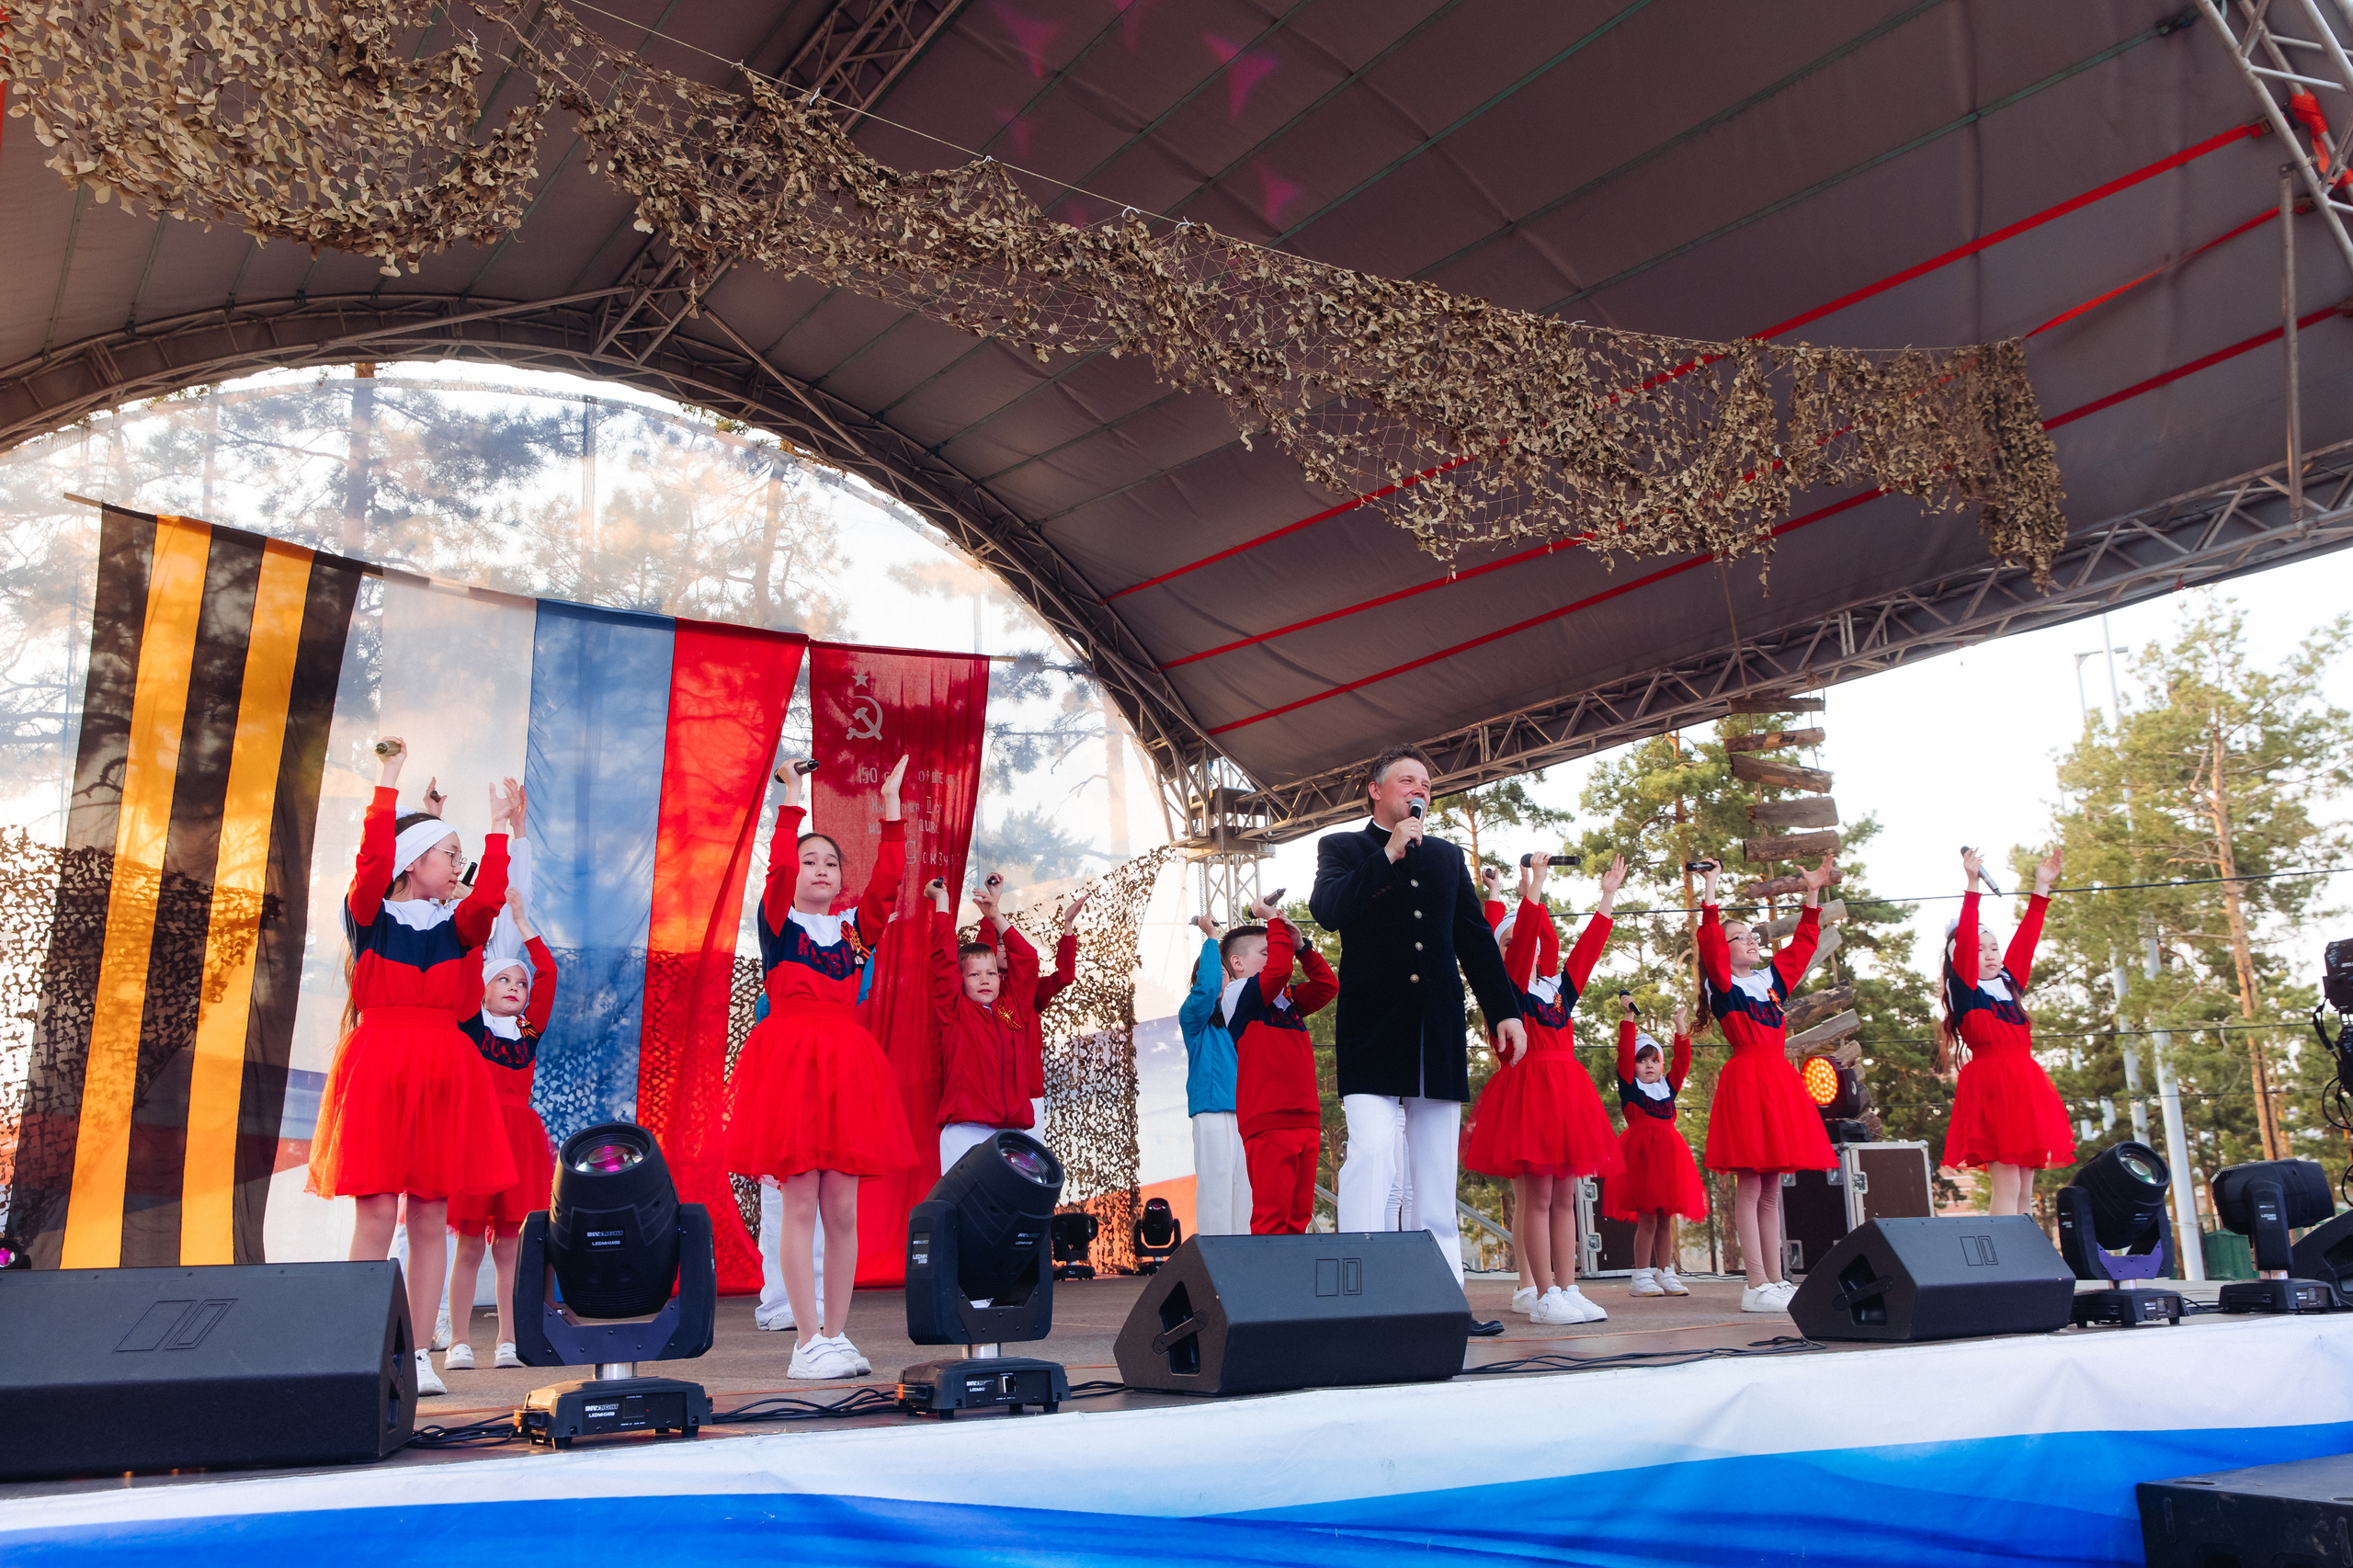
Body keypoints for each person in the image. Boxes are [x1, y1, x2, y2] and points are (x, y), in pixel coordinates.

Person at [308, 739, 519, 1397]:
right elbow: (371, 864)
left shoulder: (459, 925)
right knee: (375, 1214)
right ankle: (355, 1348)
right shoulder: (370, 917)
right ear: (412, 861)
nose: (459, 865)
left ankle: (419, 1351)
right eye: (448, 854)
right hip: (380, 1066)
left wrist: (496, 825)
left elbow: (488, 900)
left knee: (429, 1214)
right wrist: (387, 781)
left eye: (460, 855)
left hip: (442, 1070)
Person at [1311, 744, 1526, 1335]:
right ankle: (1352, 1296)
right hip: (1373, 1032)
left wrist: (1504, 1010)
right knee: (1374, 1156)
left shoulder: (1448, 858)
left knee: (1435, 1178)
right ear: (1376, 791)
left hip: (1435, 1031)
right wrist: (1388, 852)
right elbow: (1329, 910)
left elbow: (1475, 940)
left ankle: (1444, 1302)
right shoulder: (1343, 849)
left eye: (1427, 785)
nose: (1420, 790)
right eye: (1408, 781)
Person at [723, 754, 917, 1381]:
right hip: (791, 1067)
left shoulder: (855, 933)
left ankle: (837, 1333)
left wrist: (890, 809)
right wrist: (793, 797)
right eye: (811, 860)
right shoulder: (779, 924)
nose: (821, 870)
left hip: (847, 1068)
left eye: (831, 862)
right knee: (800, 1202)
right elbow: (778, 870)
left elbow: (888, 885)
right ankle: (805, 1338)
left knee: (842, 1211)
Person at [1463, 855, 1628, 1326]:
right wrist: (1533, 886)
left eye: (1529, 938)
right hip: (1527, 1095)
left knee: (1562, 1198)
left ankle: (1567, 1285)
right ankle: (1541, 1293)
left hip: (1565, 1096)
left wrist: (1608, 897)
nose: (1525, 945)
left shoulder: (1558, 989)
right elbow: (1518, 945)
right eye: (1512, 941)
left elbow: (1587, 952)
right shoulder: (1507, 990)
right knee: (1535, 1198)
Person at [1696, 855, 1839, 1314]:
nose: (1752, 941)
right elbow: (1711, 944)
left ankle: (1777, 1279)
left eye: (1753, 935)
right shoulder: (1723, 983)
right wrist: (1712, 892)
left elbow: (1803, 946)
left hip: (1778, 1080)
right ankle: (1755, 1283)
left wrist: (1813, 893)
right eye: (1741, 937)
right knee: (1751, 1184)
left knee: (1774, 1185)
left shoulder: (1770, 980)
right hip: (1748, 1079)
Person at [443, 878, 557, 1371]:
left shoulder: (527, 1032)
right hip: (476, 1137)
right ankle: (459, 1341)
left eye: (520, 984)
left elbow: (548, 972)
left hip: (518, 1142)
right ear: (484, 989)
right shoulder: (469, 1024)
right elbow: (466, 961)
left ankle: (509, 1340)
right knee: (469, 1246)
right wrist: (483, 916)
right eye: (504, 981)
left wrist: (525, 927)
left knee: (510, 1246)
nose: (515, 988)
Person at [1940, 846, 2075, 1214]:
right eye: (1979, 948)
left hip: (2024, 1086)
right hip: (1992, 1087)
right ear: (1959, 956)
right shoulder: (1964, 989)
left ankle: (2029, 1262)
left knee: (2025, 1187)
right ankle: (2007, 1262)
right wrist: (1972, 885)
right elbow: (1967, 941)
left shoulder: (2009, 984)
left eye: (1994, 947)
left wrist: (2041, 887)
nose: (1989, 953)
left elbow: (2028, 938)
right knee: (2009, 1181)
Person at [1222, 898, 1339, 1236]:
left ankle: (1290, 1286)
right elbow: (1279, 971)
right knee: (1271, 1219)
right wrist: (1273, 919)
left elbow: (1327, 987)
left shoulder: (1285, 997)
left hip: (1305, 1118)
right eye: (1267, 951)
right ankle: (1264, 1287)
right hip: (1269, 1120)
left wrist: (1303, 947)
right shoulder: (1238, 994)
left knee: (1296, 1219)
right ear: (1238, 963)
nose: (1276, 954)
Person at [929, 875, 1044, 1173]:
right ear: (960, 980)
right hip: (966, 1133)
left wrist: (994, 914)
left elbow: (1027, 958)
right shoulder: (954, 1011)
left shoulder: (1012, 1011)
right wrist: (942, 904)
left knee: (1012, 1217)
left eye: (991, 974)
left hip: (1013, 1135)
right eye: (974, 975)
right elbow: (943, 959)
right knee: (969, 1216)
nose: (984, 980)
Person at [1607, 997, 1708, 1299]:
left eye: (1654, 1060)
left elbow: (1683, 1061)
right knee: (1647, 1218)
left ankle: (1666, 1272)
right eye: (1642, 1059)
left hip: (1669, 1158)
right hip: (1640, 1157)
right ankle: (1641, 1275)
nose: (1649, 1065)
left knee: (1665, 1219)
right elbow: (1623, 1053)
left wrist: (1680, 1027)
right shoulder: (1629, 1086)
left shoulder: (1668, 1087)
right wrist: (1628, 1019)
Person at [1179, 913, 1252, 1235]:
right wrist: (1210, 938)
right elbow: (1207, 988)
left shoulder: (1236, 1022)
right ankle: (1214, 1259)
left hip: (1244, 1113)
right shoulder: (1194, 1018)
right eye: (1221, 972)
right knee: (1217, 1188)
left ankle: (1242, 1259)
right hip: (1211, 1110)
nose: (1225, 978)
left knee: (1244, 1191)